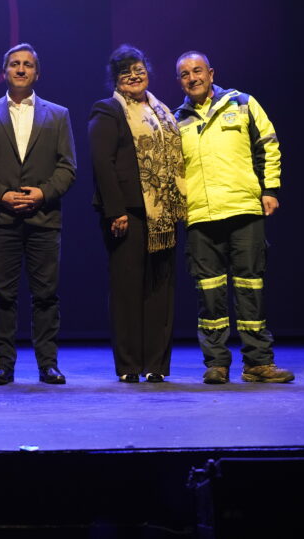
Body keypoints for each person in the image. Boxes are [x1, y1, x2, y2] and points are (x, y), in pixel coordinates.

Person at [174, 51, 294, 384]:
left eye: (198, 71)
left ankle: (258, 362)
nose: (192, 77)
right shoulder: (176, 119)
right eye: (185, 74)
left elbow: (268, 144)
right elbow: (172, 172)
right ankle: (216, 362)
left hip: (243, 209)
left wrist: (270, 189)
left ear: (211, 73)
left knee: (250, 287)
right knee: (208, 292)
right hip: (201, 215)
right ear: (179, 81)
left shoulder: (241, 103)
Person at [0, 43, 77, 385]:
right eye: (14, 64)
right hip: (1, 219)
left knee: (46, 295)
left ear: (37, 73)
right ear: (4, 72)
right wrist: (2, 195)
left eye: (27, 65)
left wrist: (43, 193)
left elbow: (68, 166)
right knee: (3, 295)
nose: (21, 69)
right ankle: (3, 364)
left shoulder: (58, 114)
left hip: (44, 219)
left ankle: (48, 364)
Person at [88, 45, 187, 383]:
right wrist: (115, 210)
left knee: (161, 289)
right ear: (115, 79)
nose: (133, 75)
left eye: (139, 68)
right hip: (127, 213)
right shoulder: (108, 110)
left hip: (163, 216)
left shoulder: (163, 112)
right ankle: (130, 365)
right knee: (128, 290)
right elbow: (103, 164)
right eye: (125, 71)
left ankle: (156, 365)